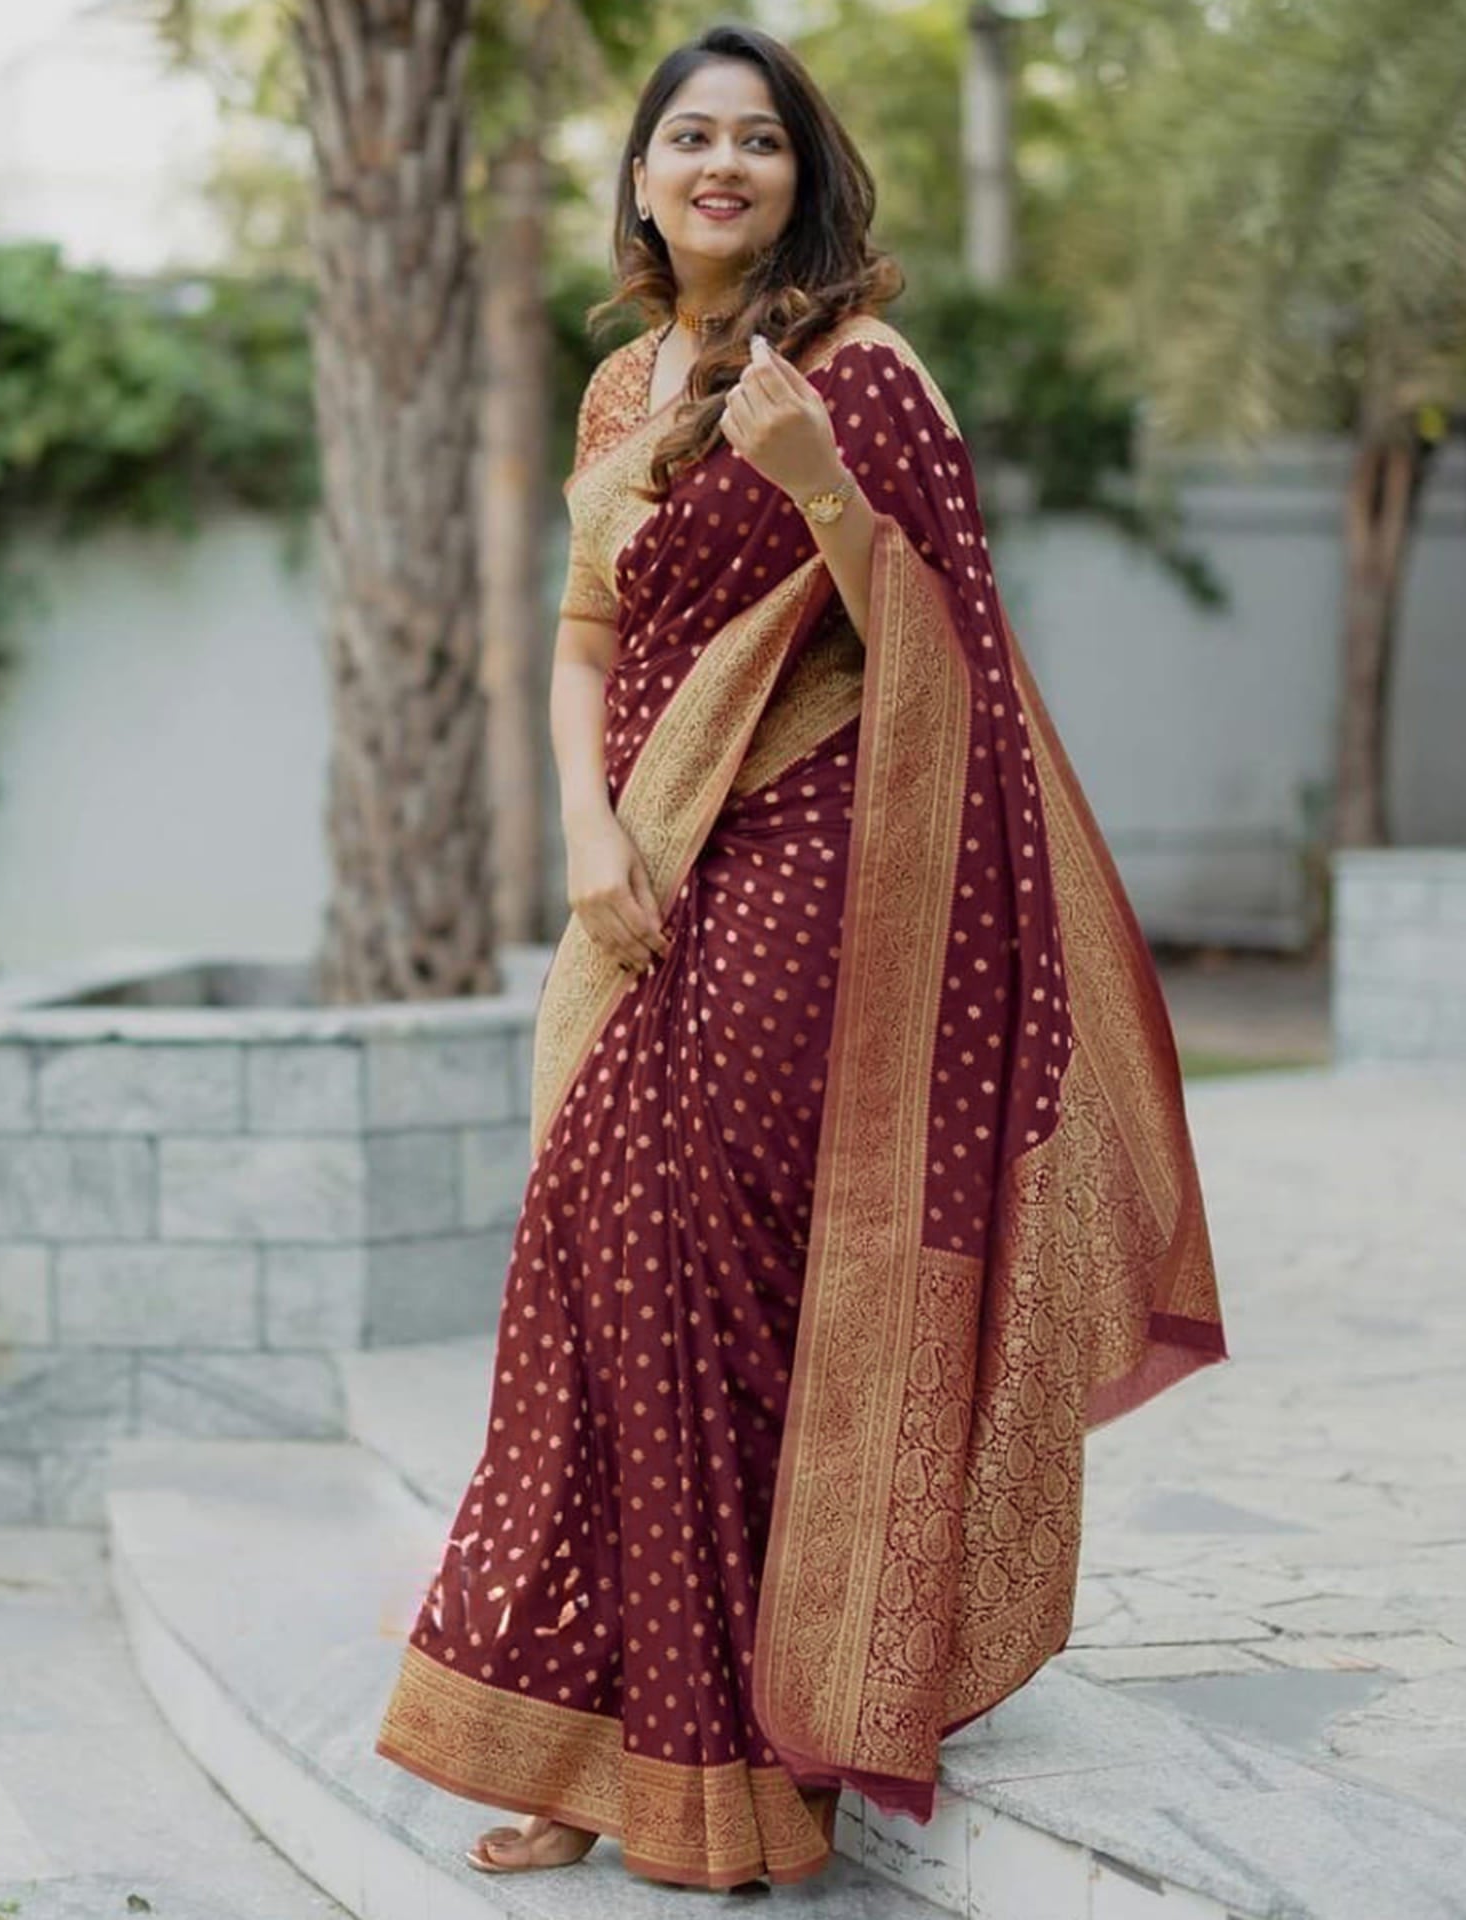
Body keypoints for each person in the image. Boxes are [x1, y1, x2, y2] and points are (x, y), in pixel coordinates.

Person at [374, 20, 1228, 1893]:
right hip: (644, 873)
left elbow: (950, 657)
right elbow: (583, 645)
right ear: (643, 175)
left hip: (815, 867)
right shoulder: (618, 390)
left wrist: (821, 480)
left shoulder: (868, 375)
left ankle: (764, 1749)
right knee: (598, 1267)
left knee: (728, 1276)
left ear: (802, 178)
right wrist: (591, 838)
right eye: (689, 136)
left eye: (758, 141)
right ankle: (598, 1743)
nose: (721, 167)